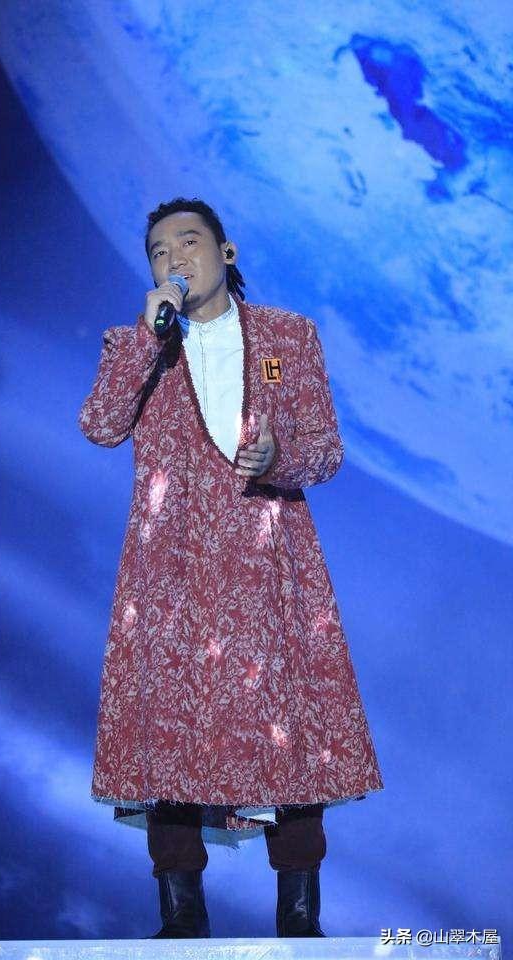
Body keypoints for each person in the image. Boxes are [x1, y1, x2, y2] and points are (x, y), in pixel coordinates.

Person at [78, 197, 383, 939]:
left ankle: (300, 919)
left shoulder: (286, 336)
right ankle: (181, 917)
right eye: (158, 251)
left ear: (227, 251)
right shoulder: (136, 345)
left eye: (189, 241)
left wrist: (280, 456)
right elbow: (100, 425)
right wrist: (148, 342)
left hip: (267, 562)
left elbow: (326, 449)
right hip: (170, 569)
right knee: (167, 726)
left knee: (290, 728)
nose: (174, 258)